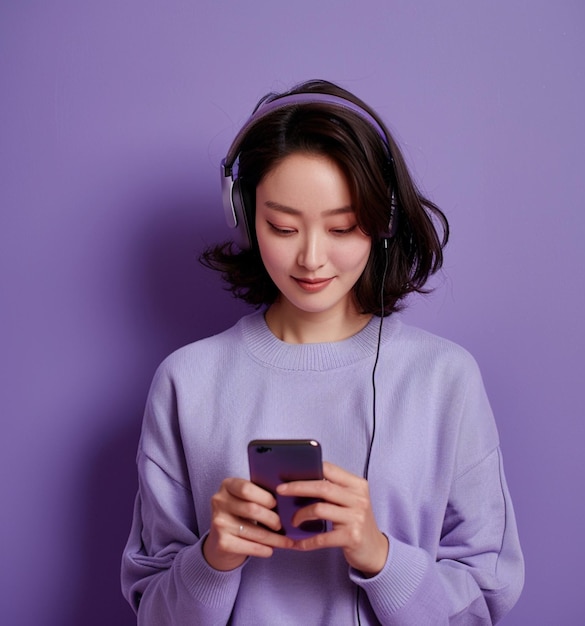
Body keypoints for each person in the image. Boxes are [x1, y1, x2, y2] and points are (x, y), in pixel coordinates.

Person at [121, 79, 524, 625]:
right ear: (241, 213)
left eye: (343, 226)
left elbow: (484, 607)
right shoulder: (186, 382)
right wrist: (213, 560)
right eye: (283, 226)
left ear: (384, 223)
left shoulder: (444, 379)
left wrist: (380, 556)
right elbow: (154, 613)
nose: (311, 258)